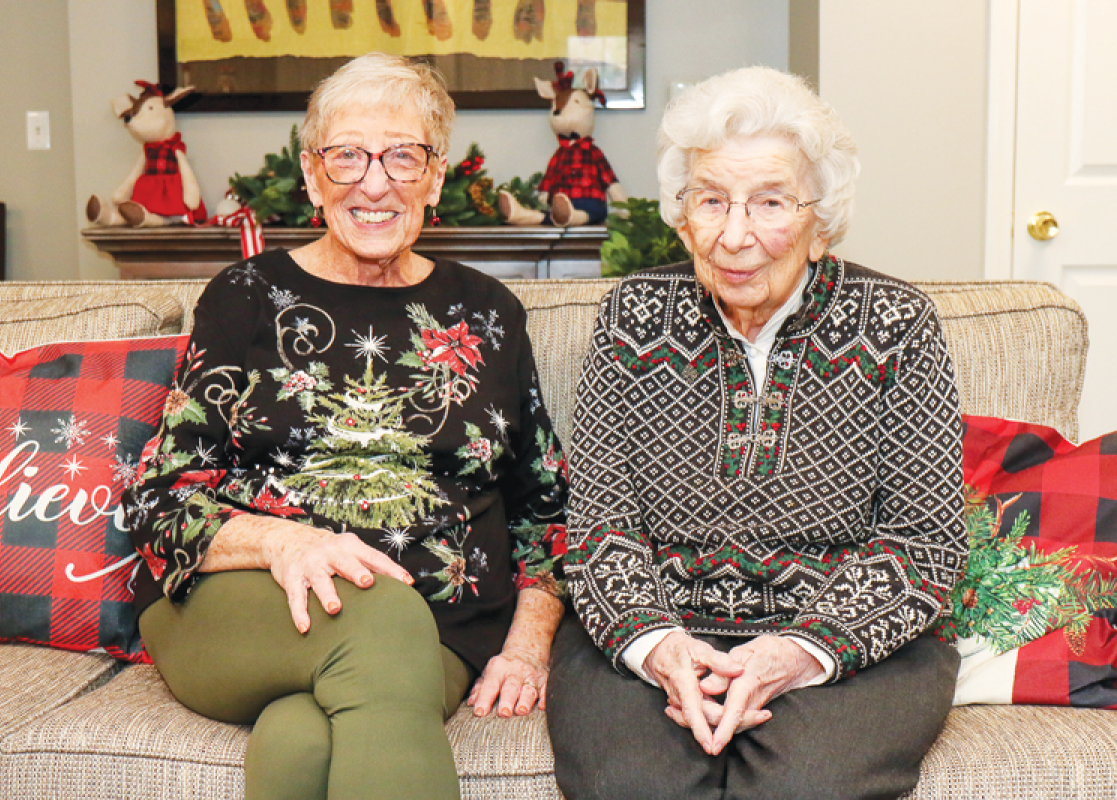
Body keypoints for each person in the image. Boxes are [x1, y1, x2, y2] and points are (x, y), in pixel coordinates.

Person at [123, 53, 569, 800]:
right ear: (310, 173)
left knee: (301, 744)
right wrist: (286, 540)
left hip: (445, 626)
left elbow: (545, 509)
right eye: (347, 155)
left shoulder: (489, 313)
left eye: (402, 155)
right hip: (241, 606)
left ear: (434, 175)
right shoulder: (246, 296)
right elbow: (161, 498)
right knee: (383, 619)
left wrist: (526, 649)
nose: (374, 181)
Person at [546, 66, 967, 800]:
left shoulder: (898, 327)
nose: (736, 236)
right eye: (712, 201)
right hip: (656, 620)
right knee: (632, 783)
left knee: (805, 786)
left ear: (822, 221)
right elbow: (598, 525)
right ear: (683, 215)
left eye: (770, 202)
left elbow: (926, 541)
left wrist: (799, 650)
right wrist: (657, 647)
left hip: (844, 636)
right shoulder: (631, 317)